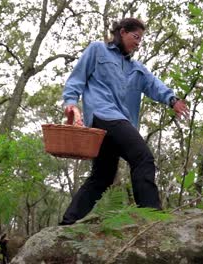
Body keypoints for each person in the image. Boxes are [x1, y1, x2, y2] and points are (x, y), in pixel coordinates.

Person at [59, 18, 189, 225]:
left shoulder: (136, 68)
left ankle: (68, 221)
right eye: (135, 37)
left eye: (141, 40)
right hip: (103, 115)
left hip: (121, 122)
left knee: (102, 176)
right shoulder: (97, 50)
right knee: (143, 158)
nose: (138, 43)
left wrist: (172, 99)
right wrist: (71, 103)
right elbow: (77, 78)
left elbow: (154, 84)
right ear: (122, 32)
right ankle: (152, 217)